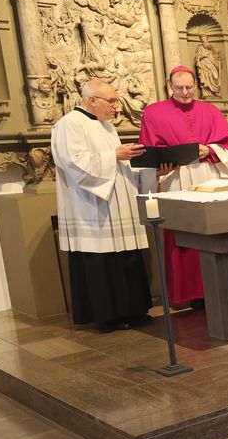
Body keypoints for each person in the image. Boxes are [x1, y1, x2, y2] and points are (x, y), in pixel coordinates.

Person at [51, 79, 152, 333]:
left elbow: (119, 166)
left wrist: (152, 171)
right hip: (92, 205)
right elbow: (73, 162)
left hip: (118, 202)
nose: (116, 106)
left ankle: (134, 309)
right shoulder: (68, 124)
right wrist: (114, 156)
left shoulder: (106, 127)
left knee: (126, 256)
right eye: (112, 101)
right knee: (102, 260)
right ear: (92, 100)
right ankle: (108, 316)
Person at [138, 65, 228, 308]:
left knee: (213, 232)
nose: (185, 92)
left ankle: (215, 288)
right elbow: (149, 150)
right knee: (181, 237)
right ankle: (190, 294)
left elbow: (226, 143)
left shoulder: (210, 111)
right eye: (179, 87)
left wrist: (208, 148)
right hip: (177, 178)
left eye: (189, 87)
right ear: (170, 86)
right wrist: (160, 166)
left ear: (196, 86)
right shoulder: (153, 113)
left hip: (207, 176)